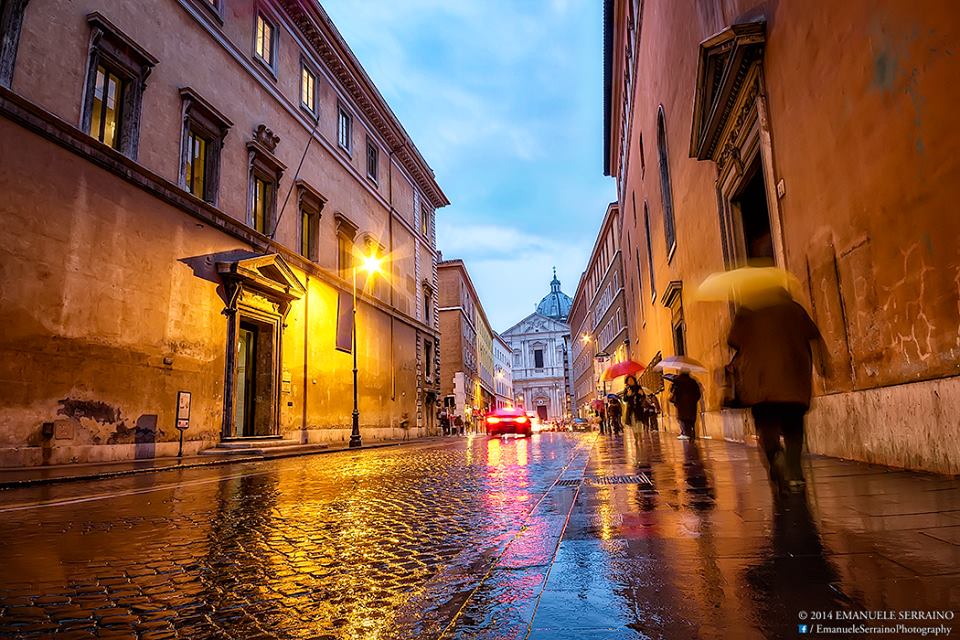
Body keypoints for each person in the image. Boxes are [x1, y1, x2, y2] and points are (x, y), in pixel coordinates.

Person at [727, 287, 826, 493]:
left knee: (766, 427)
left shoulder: (747, 310)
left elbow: (733, 340)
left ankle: (775, 456)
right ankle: (795, 471)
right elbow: (813, 334)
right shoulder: (794, 309)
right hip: (793, 379)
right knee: (794, 429)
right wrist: (824, 367)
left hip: (760, 382)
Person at [669, 372, 702, 439]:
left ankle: (686, 434)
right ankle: (692, 434)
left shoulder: (677, 381)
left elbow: (674, 392)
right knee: (691, 419)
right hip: (692, 404)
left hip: (681, 404)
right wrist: (694, 400)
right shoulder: (693, 381)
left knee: (683, 419)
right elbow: (698, 394)